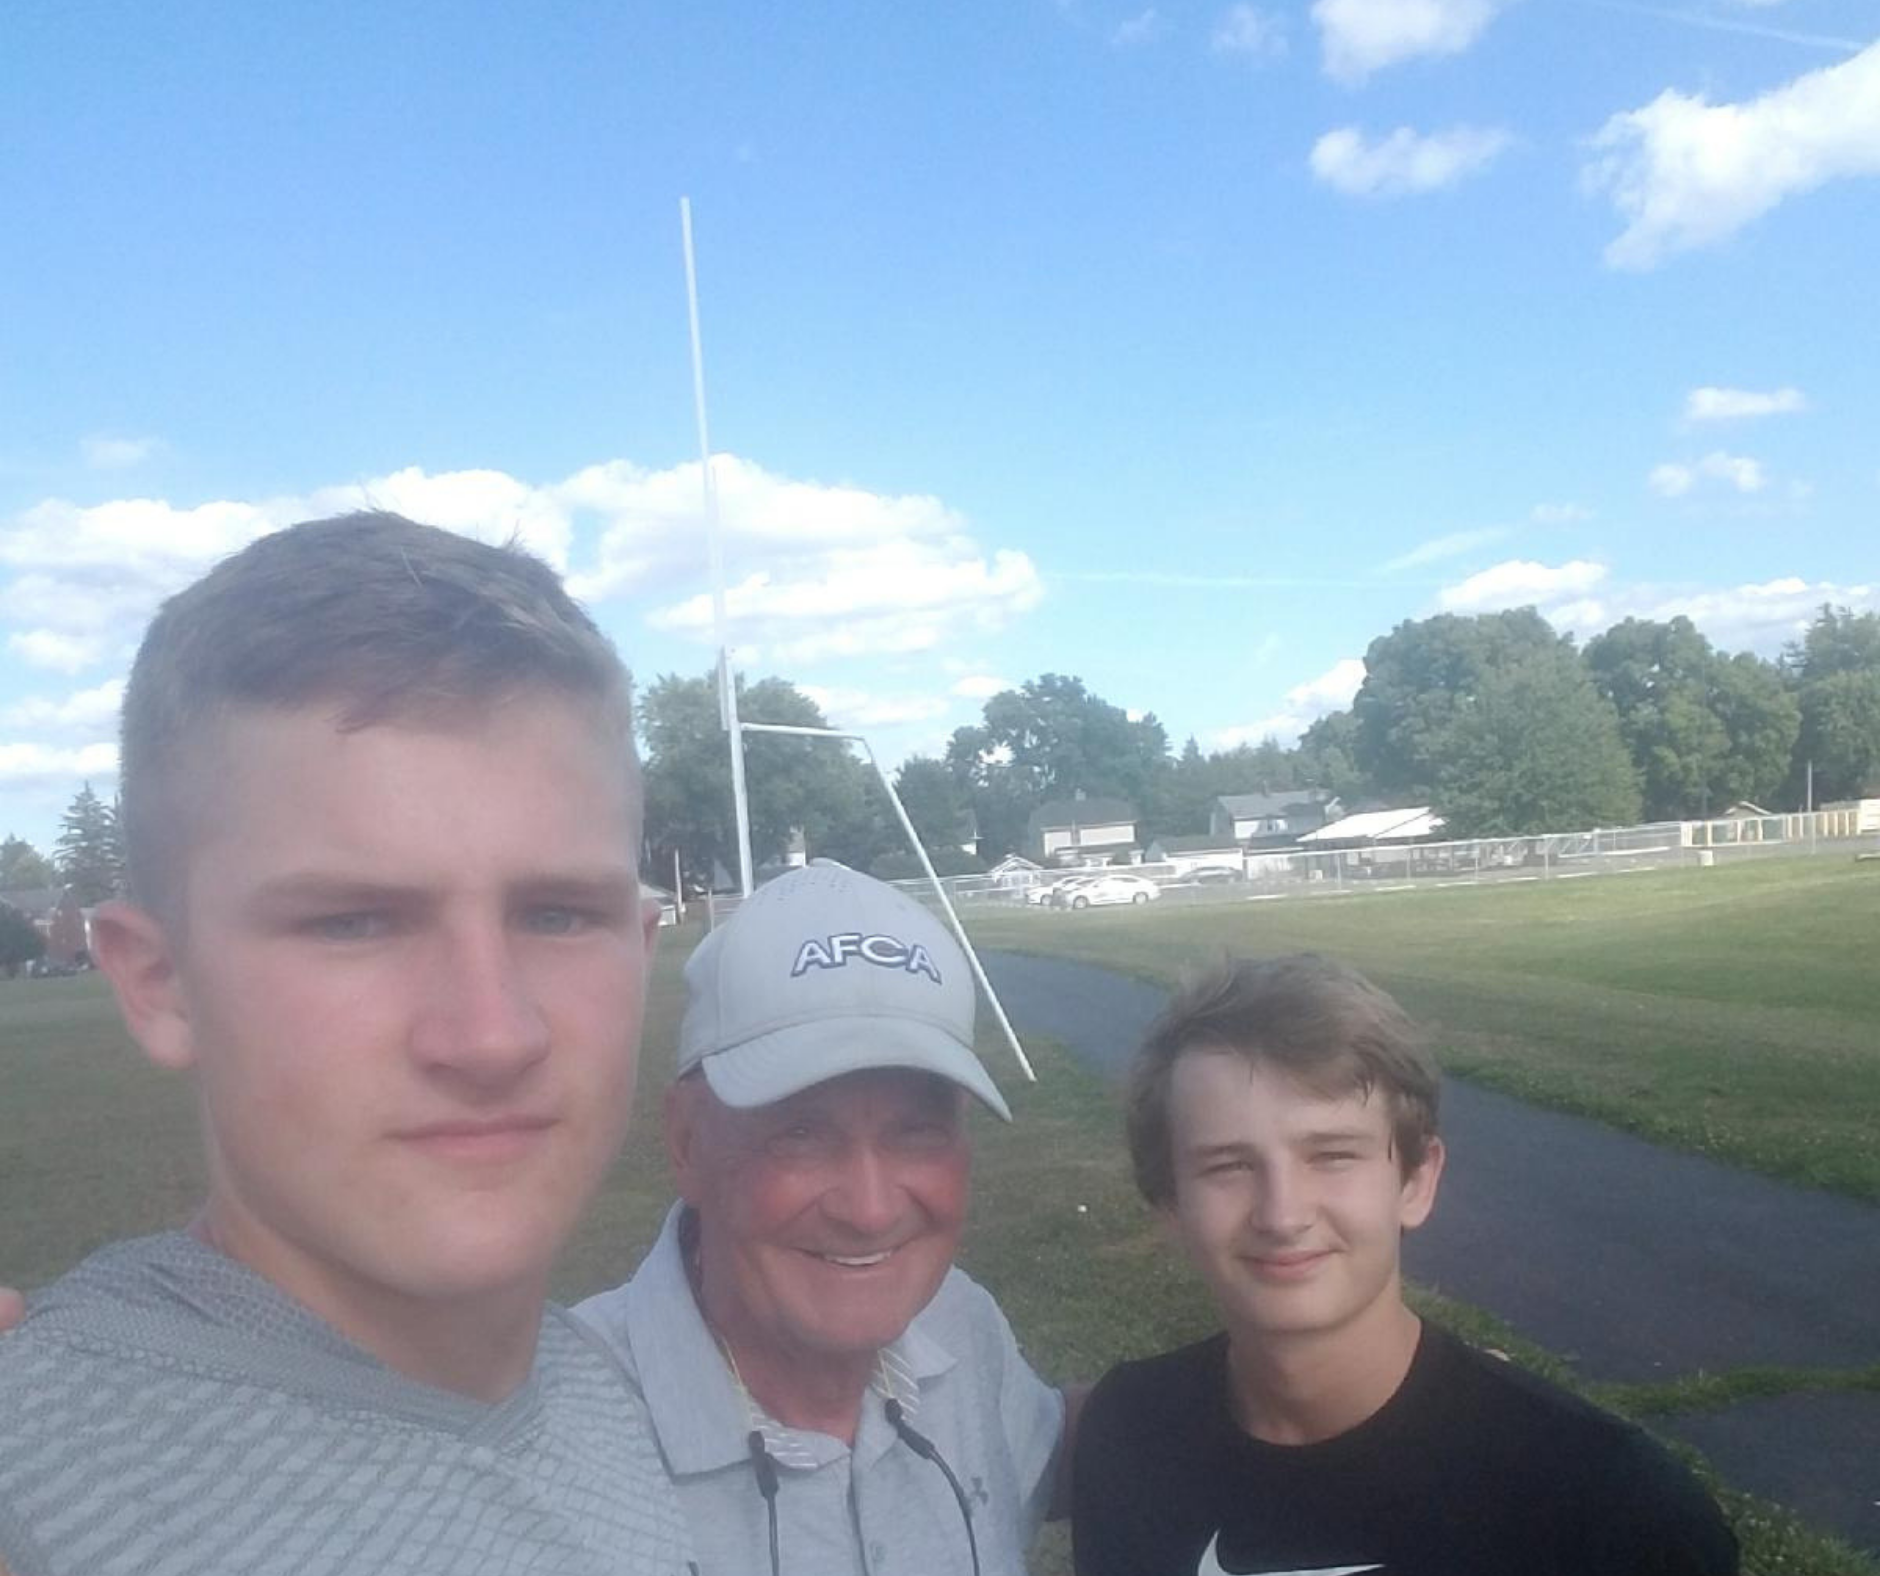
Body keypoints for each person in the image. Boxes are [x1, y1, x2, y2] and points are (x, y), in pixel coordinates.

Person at [0, 514, 695, 1576]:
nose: (491, 1032)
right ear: (159, 981)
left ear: (642, 948)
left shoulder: (594, 1386)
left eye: (558, 913)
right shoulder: (40, 1485)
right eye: (352, 921)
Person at [1072, 953, 1738, 1576]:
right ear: (1169, 1205)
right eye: (1228, 1166)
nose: (1282, 1213)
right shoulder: (1127, 1437)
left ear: (1416, 1180)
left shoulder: (1612, 1513)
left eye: (1332, 1155)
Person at [576, 860, 1067, 1576]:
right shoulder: (548, 1441)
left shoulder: (960, 1326)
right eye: (800, 1133)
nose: (869, 1212)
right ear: (687, 1142)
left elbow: (1058, 1449)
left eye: (916, 1130)